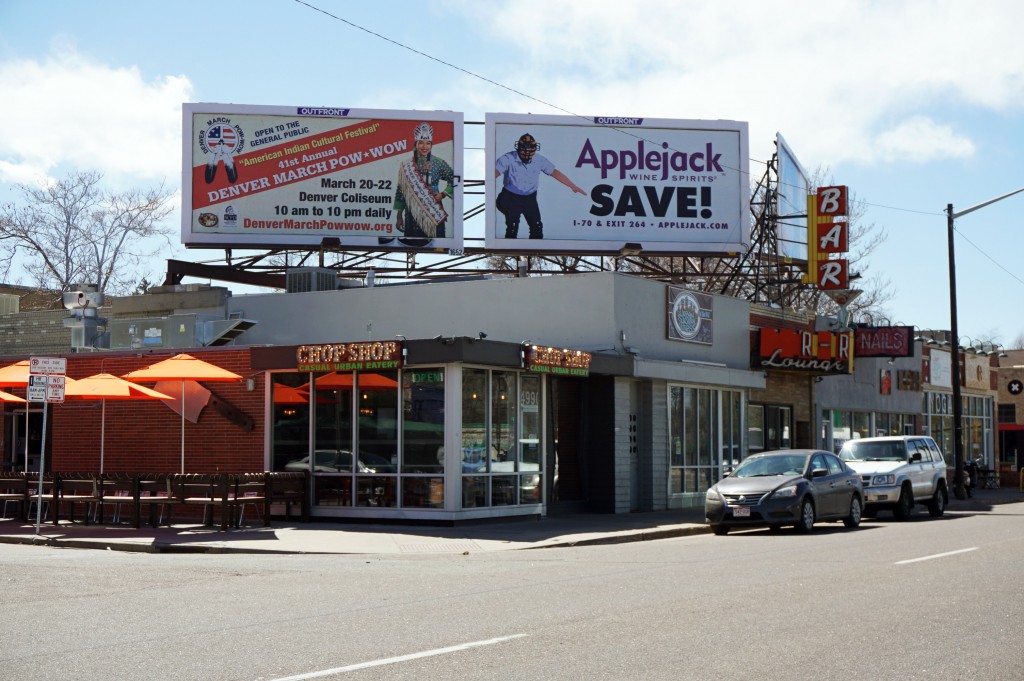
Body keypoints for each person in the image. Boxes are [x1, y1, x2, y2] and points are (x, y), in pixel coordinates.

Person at [494, 133, 586, 239]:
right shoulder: (508, 158)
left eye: (530, 150)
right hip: (510, 197)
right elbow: (494, 173)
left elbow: (554, 172)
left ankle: (534, 252)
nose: (527, 153)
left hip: (529, 198)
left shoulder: (539, 159)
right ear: (519, 148)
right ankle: (510, 249)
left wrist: (572, 185)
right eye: (525, 150)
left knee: (537, 226)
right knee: (513, 225)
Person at [389, 122, 454, 245]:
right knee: (411, 244)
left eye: (428, 143)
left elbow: (455, 179)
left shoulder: (438, 163)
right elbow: (401, 191)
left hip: (433, 212)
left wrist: (443, 194)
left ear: (431, 144)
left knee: (436, 245)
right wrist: (399, 216)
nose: (425, 146)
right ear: (416, 144)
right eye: (421, 143)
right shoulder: (406, 165)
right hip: (412, 214)